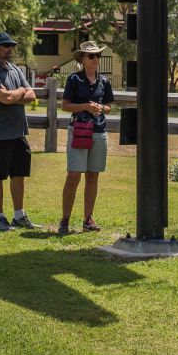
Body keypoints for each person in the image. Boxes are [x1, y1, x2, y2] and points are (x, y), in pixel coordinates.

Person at [0, 31, 39, 231]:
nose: (10, 48)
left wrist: (18, 93)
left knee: (19, 174)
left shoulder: (14, 69)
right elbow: (4, 99)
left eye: (11, 45)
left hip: (19, 133)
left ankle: (19, 216)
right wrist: (18, 92)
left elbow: (31, 94)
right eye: (6, 46)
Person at [57, 41, 114, 234]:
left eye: (98, 55)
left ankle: (88, 219)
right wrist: (85, 106)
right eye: (91, 56)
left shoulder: (104, 81)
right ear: (82, 58)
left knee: (93, 176)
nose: (96, 59)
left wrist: (100, 108)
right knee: (74, 175)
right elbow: (65, 106)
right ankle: (65, 220)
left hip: (99, 131)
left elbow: (108, 107)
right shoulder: (74, 79)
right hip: (79, 130)